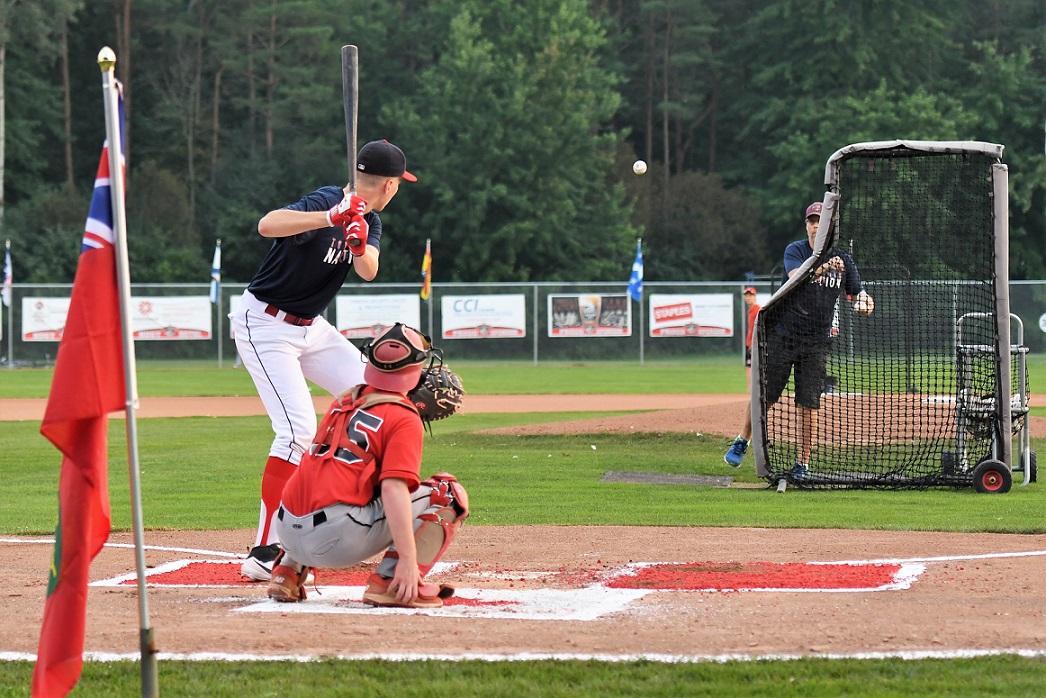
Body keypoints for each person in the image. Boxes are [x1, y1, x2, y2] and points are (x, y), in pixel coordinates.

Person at [233, 140, 417, 582]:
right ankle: (266, 552)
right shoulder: (326, 200)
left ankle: (351, 514)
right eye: (399, 184)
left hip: (311, 328)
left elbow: (369, 269)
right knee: (296, 431)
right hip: (266, 324)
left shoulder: (370, 219)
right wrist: (332, 217)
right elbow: (267, 225)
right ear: (390, 185)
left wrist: (358, 241)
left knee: (378, 397)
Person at [266, 323, 469, 608]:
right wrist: (408, 559)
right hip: (337, 539)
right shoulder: (404, 416)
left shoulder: (344, 400)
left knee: (326, 477)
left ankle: (286, 573)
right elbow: (393, 489)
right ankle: (390, 582)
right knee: (447, 493)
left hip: (286, 532)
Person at [723, 201, 873, 475]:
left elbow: (859, 294)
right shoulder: (796, 250)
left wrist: (865, 303)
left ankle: (802, 462)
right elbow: (795, 277)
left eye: (821, 222)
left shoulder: (844, 260)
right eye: (812, 222)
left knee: (808, 403)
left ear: (831, 227)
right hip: (784, 335)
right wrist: (824, 268)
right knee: (766, 395)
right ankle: (742, 441)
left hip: (817, 341)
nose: (816, 226)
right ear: (807, 226)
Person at [723, 287, 761, 466]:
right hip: (749, 343)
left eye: (750, 295)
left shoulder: (757, 309)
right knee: (747, 367)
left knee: (751, 368)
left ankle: (751, 389)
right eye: (746, 295)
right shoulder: (750, 310)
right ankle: (749, 389)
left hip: (753, 344)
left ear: (755, 296)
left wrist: (753, 343)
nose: (748, 298)